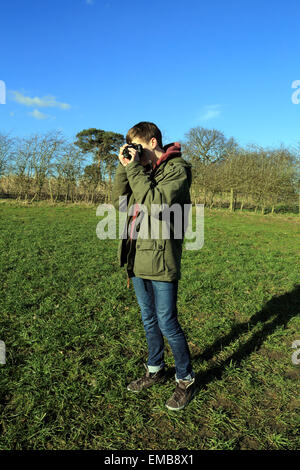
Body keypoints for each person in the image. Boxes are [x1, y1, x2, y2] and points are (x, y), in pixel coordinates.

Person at [111, 121, 195, 411]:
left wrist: (134, 170)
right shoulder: (140, 172)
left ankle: (185, 379)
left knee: (167, 322)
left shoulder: (177, 169)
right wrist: (125, 167)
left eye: (138, 147)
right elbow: (120, 204)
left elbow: (157, 204)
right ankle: (155, 369)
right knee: (149, 319)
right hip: (137, 256)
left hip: (161, 256)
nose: (136, 153)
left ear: (153, 142)